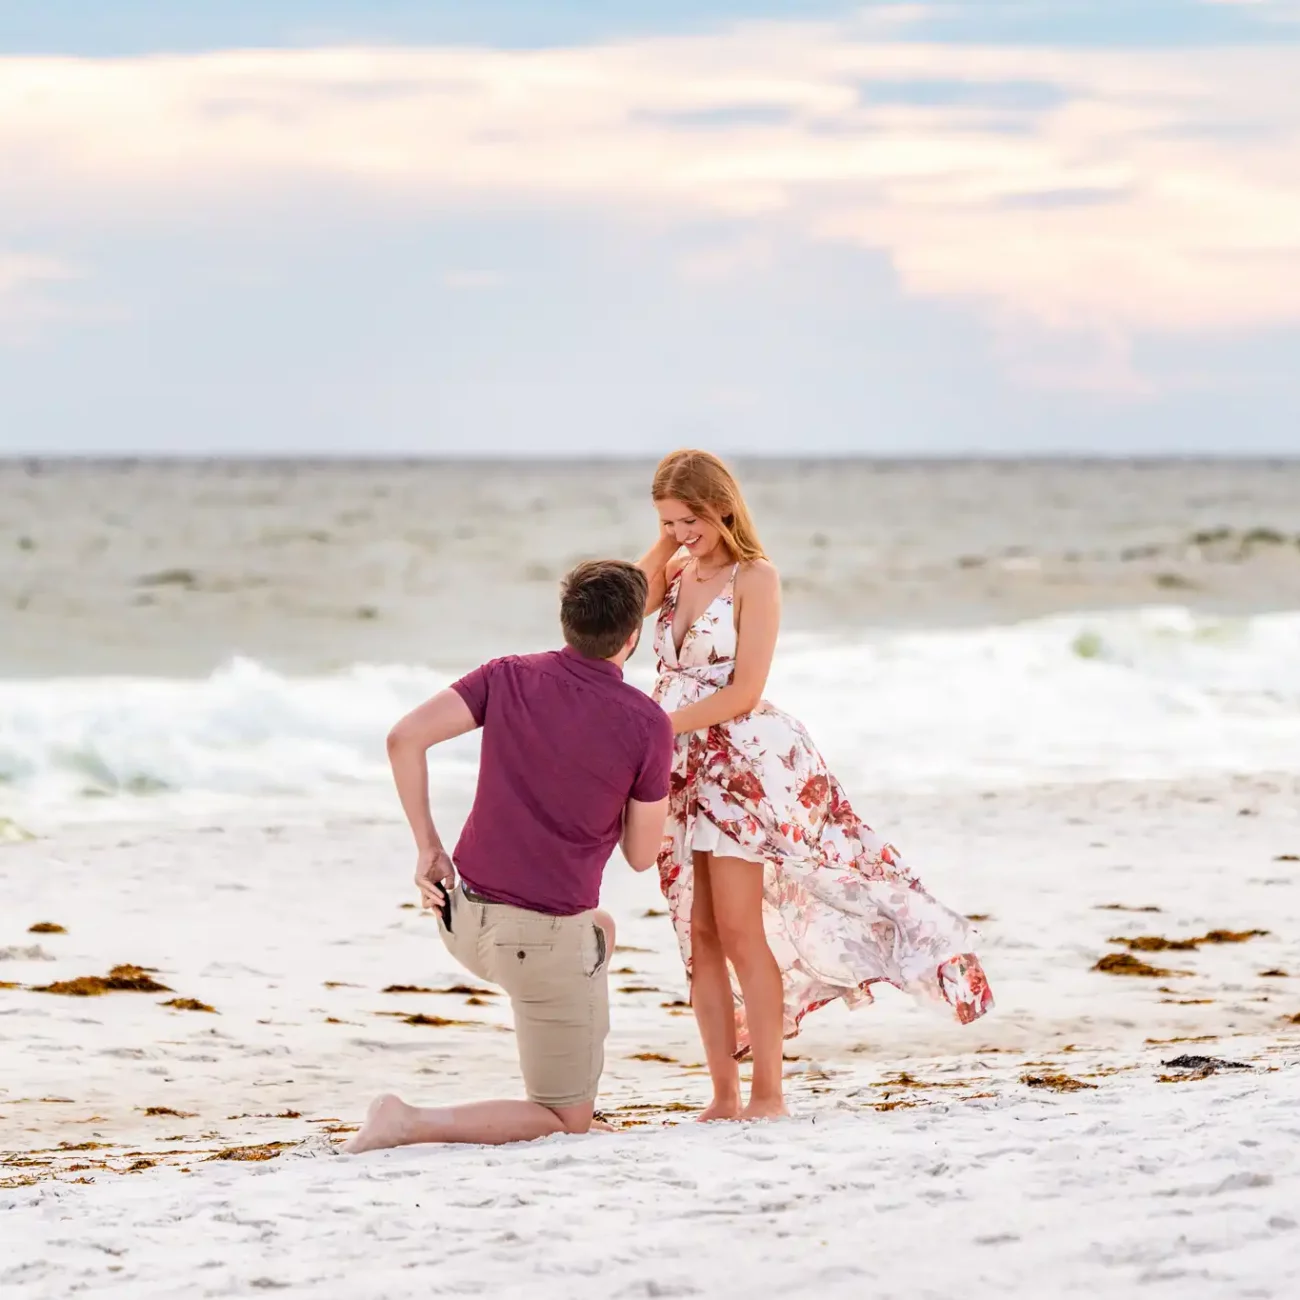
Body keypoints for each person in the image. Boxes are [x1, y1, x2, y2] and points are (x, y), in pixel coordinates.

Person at [637, 450, 993, 1122]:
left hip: (740, 770)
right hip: (680, 773)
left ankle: (768, 1095)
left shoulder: (755, 577)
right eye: (668, 521)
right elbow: (625, 616)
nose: (682, 532)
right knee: (700, 932)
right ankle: (722, 1094)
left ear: (723, 506)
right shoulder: (678, 572)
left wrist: (655, 727)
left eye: (691, 518)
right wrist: (668, 540)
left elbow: (745, 692)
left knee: (741, 930)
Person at [344, 559, 673, 1153]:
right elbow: (642, 855)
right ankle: (409, 1121)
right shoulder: (646, 723)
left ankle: (576, 1093)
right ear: (632, 637)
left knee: (599, 927)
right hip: (538, 946)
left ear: (566, 621)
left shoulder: (509, 675)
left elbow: (404, 738)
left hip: (463, 919)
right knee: (562, 1123)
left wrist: (428, 848)